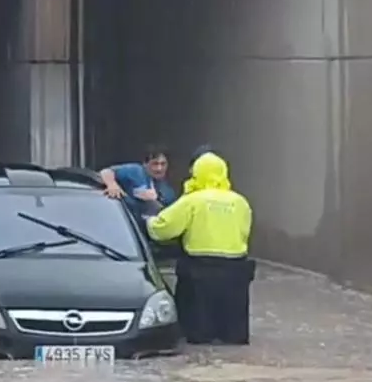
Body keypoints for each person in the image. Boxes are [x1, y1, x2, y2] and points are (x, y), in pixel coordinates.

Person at [145, 152, 255, 345]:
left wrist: (149, 220)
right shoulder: (240, 202)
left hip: (200, 270)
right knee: (233, 334)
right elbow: (244, 232)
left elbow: (162, 229)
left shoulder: (193, 200)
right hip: (236, 271)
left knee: (197, 333)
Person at [99, 145, 177, 227]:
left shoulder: (168, 192)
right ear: (145, 164)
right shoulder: (135, 171)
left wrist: (155, 201)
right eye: (155, 164)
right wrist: (112, 185)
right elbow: (106, 172)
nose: (159, 168)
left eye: (163, 164)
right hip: (121, 222)